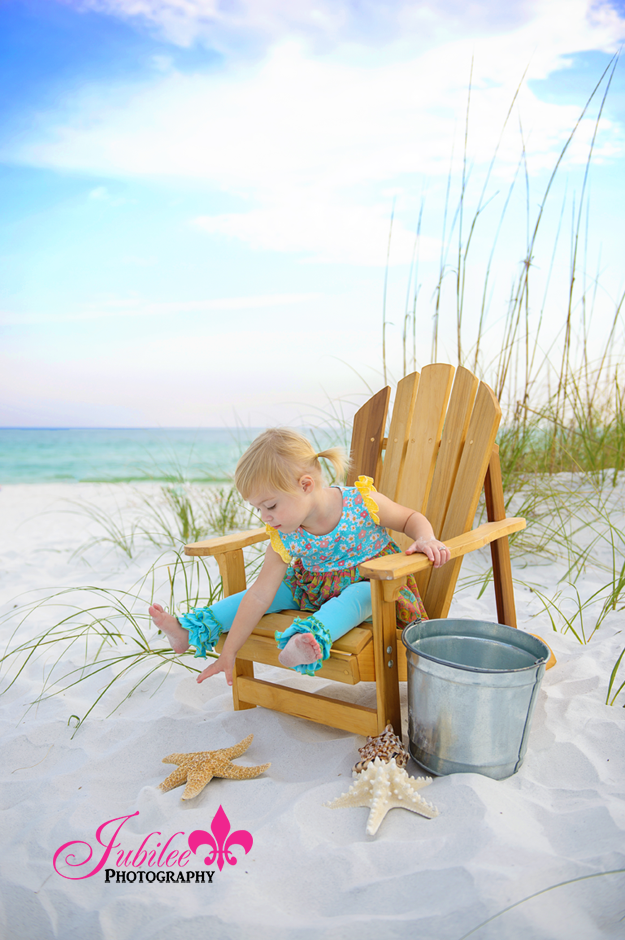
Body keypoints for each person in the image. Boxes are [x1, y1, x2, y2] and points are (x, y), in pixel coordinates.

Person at [149, 428, 450, 686]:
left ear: (305, 485)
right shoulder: (285, 533)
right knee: (273, 591)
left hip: (374, 586)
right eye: (258, 509)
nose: (266, 517)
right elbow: (259, 596)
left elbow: (410, 518)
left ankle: (310, 640)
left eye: (270, 505)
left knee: (363, 593)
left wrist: (425, 537)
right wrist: (228, 653)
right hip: (313, 587)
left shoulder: (361, 502)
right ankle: (189, 631)